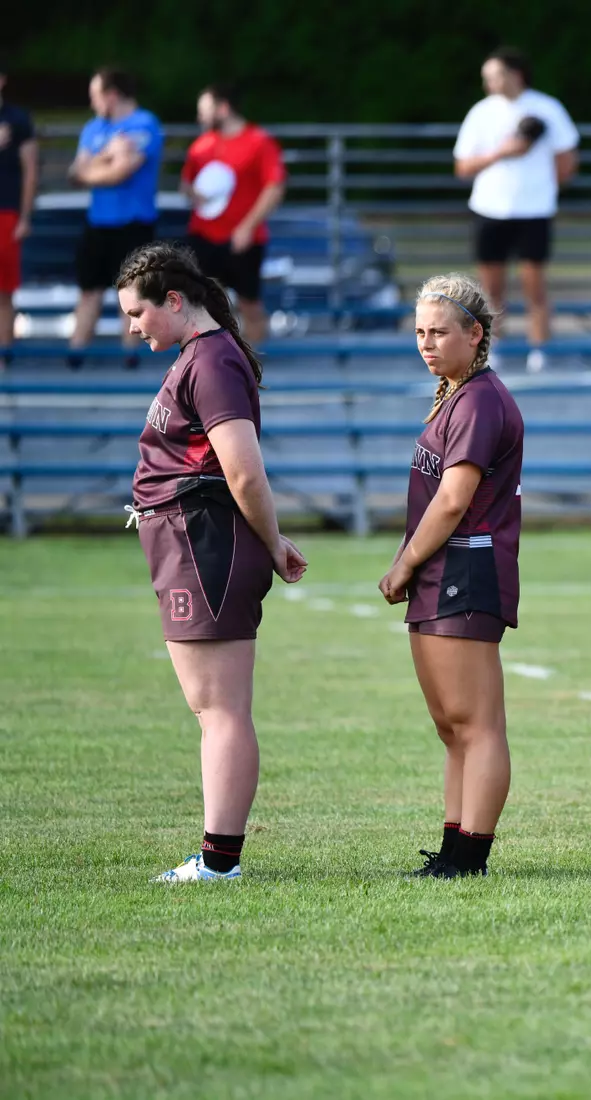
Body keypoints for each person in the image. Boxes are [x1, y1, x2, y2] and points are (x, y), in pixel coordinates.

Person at [117, 242, 307, 882]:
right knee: (212, 708)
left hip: (207, 545)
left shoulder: (214, 358)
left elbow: (244, 475)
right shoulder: (199, 355)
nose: (132, 327)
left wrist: (274, 545)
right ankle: (216, 856)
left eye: (137, 313)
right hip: (191, 542)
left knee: (220, 709)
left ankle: (220, 861)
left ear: (174, 300)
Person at [378, 274, 524, 879]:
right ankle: (454, 847)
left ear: (475, 334)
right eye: (419, 332)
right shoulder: (455, 394)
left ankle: (470, 855)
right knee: (450, 724)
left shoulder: (481, 399)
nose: (427, 342)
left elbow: (453, 499)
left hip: (465, 563)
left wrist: (405, 561)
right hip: (444, 569)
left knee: (476, 722)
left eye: (440, 331)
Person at [453, 47, 579, 372]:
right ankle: (494, 347)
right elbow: (463, 166)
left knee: (534, 284)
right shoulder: (481, 112)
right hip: (489, 209)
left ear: (516, 74)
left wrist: (540, 188)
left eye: (495, 76)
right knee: (491, 288)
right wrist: (503, 153)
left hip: (534, 211)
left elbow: (567, 161)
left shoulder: (547, 107)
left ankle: (540, 349)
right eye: (487, 78)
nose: (490, 84)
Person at [69, 68, 163, 369]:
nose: (92, 104)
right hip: (98, 222)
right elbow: (73, 175)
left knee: (133, 294)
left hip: (133, 224)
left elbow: (120, 173)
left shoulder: (144, 124)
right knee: (88, 291)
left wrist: (93, 167)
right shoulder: (93, 128)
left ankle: (129, 357)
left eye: (95, 96)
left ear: (112, 95)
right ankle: (76, 356)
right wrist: (107, 155)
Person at [182, 84, 286, 347]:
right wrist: (193, 193)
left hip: (243, 239)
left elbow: (275, 187)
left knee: (249, 303)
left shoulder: (258, 141)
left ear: (223, 108)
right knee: (200, 304)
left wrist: (248, 227)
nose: (200, 118)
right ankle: (207, 366)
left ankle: (253, 369)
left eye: (204, 111)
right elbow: (186, 184)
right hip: (203, 236)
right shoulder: (201, 145)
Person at [0, 57, 37, 367]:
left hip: (6, 213)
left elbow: (30, 170)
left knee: (4, 291)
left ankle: (4, 357)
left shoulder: (18, 119)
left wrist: (25, 217)